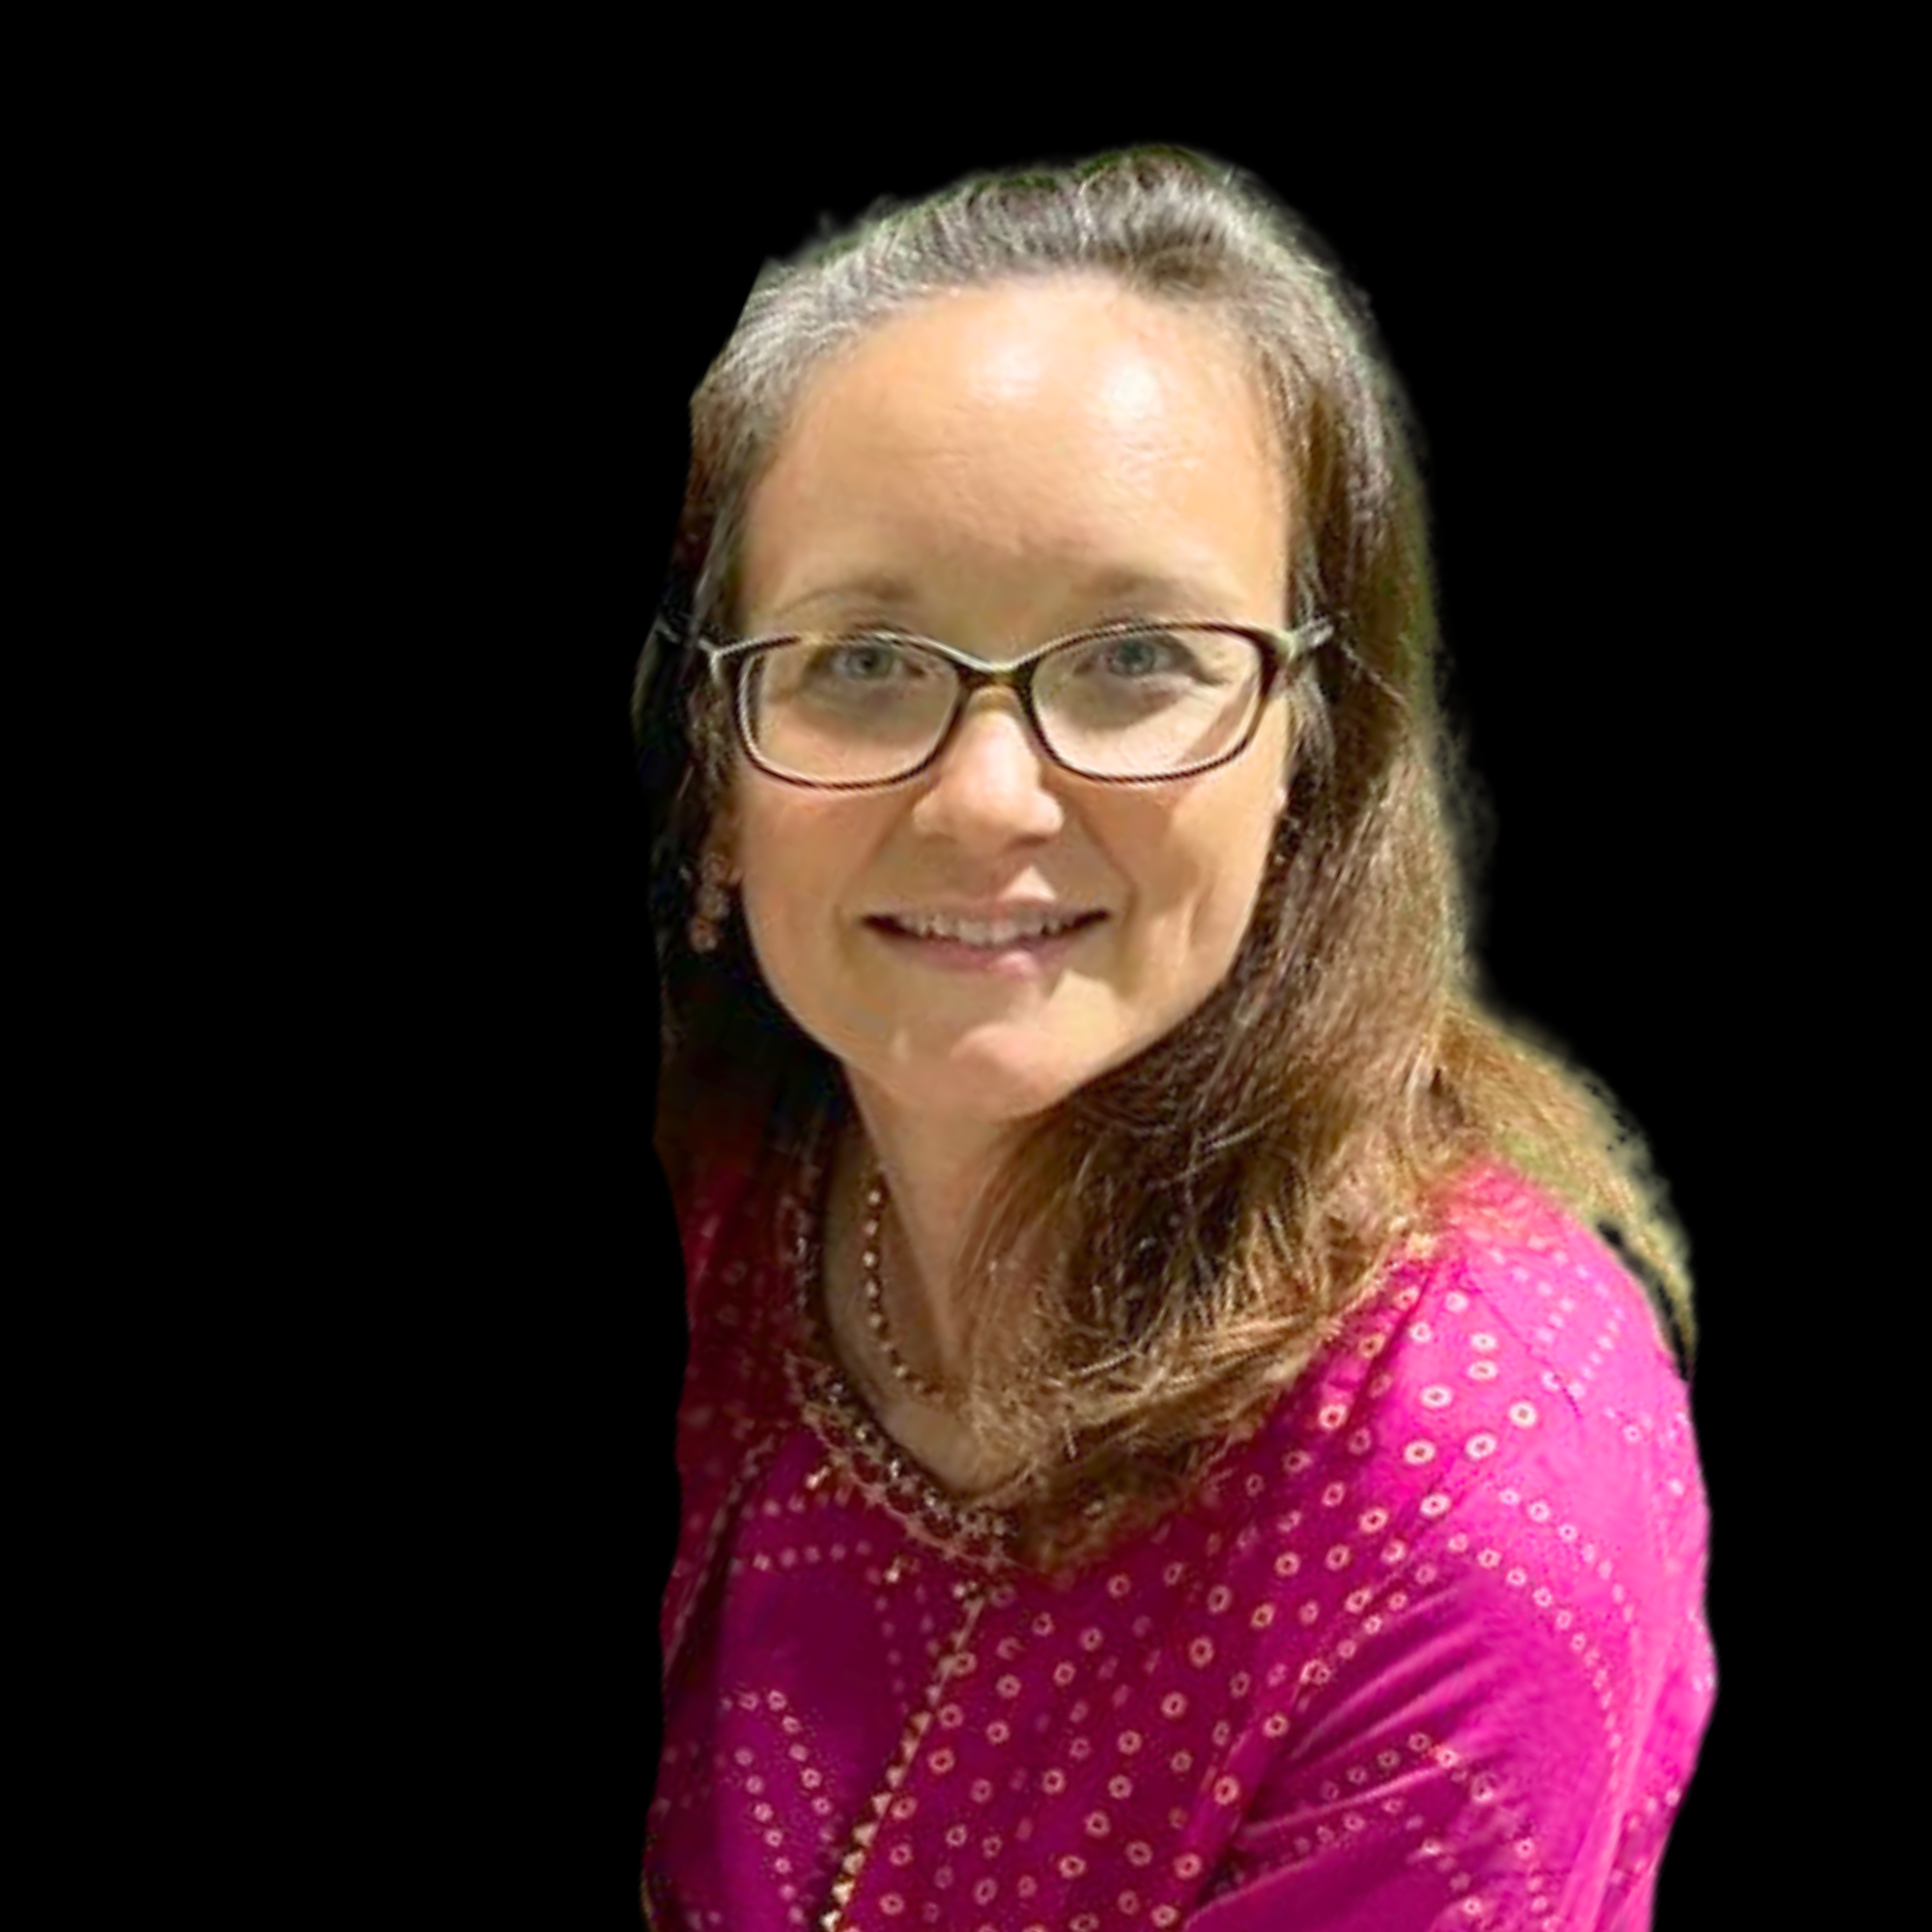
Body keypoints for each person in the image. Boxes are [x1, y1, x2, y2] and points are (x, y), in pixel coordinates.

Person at [633, 146, 1715, 1932]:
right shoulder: (715, 1192)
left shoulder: (1472, 1475)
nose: (987, 799)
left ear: (1311, 752)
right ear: (715, 758)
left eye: (1137, 659)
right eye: (865, 661)